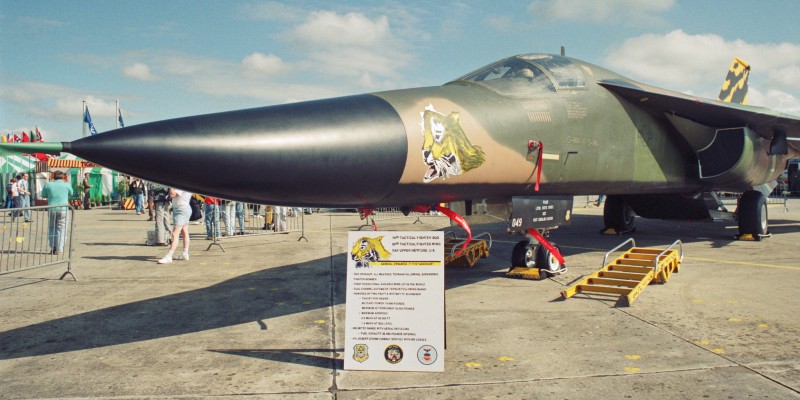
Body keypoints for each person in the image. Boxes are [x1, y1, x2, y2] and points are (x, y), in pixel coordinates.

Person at [41, 171, 73, 254]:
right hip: (63, 209)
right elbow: (71, 193)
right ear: (63, 177)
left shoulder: (48, 184)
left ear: (53, 177)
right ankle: (60, 249)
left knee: (52, 228)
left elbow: (43, 195)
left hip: (51, 209)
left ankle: (53, 247)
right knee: (62, 229)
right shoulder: (67, 185)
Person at [158, 187, 192, 264]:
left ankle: (169, 256)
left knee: (175, 234)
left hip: (181, 210)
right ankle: (185, 253)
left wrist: (171, 185)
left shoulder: (183, 184)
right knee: (184, 232)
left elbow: (173, 194)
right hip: (182, 208)